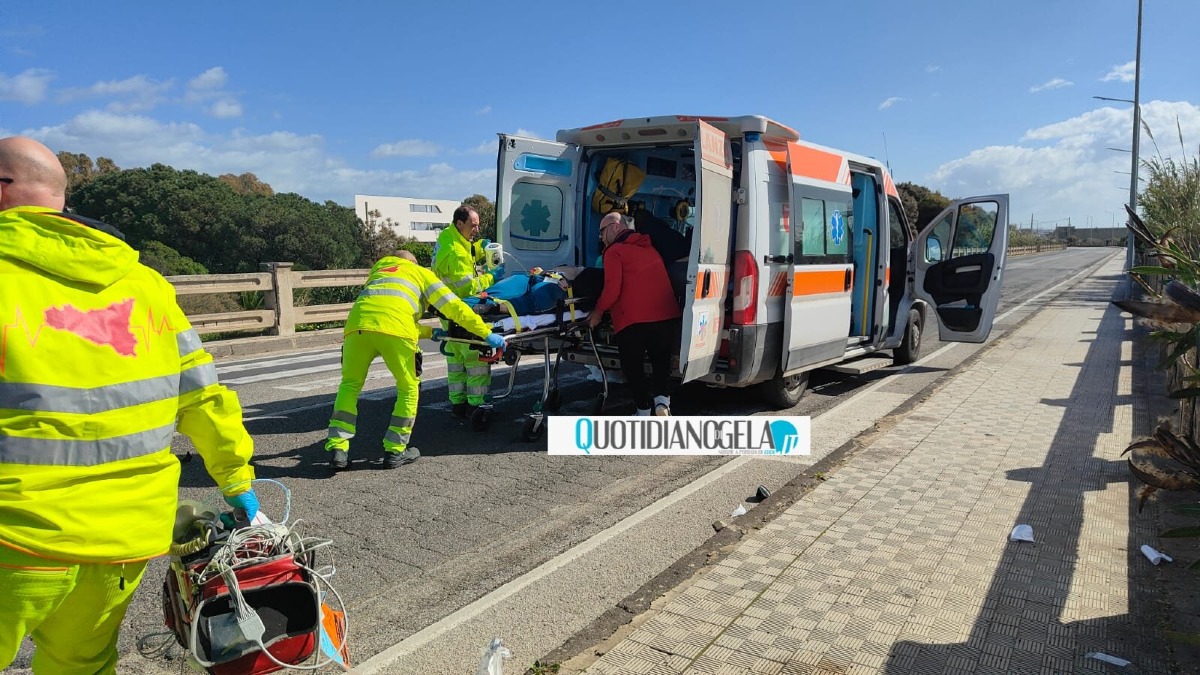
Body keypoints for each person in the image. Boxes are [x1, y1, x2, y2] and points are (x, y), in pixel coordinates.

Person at [0, 136, 259, 673]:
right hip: (123, 542)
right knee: (84, 665)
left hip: (15, 538)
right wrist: (238, 482)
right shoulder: (147, 286)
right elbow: (204, 397)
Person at [325, 249, 504, 471]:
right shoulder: (418, 272)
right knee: (408, 388)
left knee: (350, 386)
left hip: (355, 330)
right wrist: (485, 334)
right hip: (397, 334)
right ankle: (395, 450)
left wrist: (429, 333)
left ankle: (337, 449)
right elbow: (455, 307)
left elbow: (387, 314)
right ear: (412, 262)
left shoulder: (379, 272)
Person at [588, 211, 682, 416]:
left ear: (615, 226)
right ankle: (662, 403)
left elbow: (612, 290)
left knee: (633, 368)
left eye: (602, 232)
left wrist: (597, 312)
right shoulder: (650, 249)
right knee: (660, 363)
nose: (601, 237)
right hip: (665, 317)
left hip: (633, 321)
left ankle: (643, 410)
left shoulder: (614, 252)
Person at [433, 205, 506, 419]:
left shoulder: (449, 238)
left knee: (455, 360)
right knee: (475, 358)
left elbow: (465, 252)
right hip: (462, 308)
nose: (476, 230)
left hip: (446, 309)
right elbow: (466, 286)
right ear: (460, 224)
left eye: (478, 226)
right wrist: (491, 277)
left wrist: (480, 247)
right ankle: (478, 406)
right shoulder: (455, 251)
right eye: (473, 226)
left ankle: (458, 403)